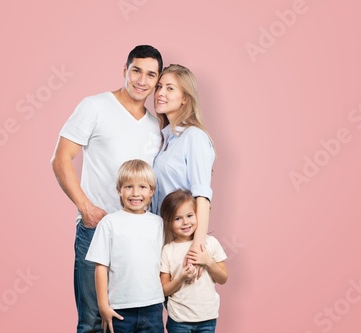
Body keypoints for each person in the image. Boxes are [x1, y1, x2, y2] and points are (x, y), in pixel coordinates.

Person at [50, 45, 163, 332]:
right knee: (92, 322)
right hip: (96, 227)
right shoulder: (95, 106)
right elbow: (61, 159)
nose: (142, 80)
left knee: (131, 321)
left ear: (157, 80)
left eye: (151, 75)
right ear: (125, 70)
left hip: (138, 236)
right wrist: (85, 208)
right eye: (136, 70)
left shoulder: (155, 125)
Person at [86, 159, 164, 333]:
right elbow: (100, 267)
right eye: (129, 187)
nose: (135, 193)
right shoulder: (109, 223)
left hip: (153, 307)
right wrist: (103, 306)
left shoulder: (158, 223)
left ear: (152, 191)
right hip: (119, 310)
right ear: (119, 190)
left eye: (142, 187)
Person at [151, 64, 215, 272]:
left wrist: (197, 248)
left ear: (185, 98)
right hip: (162, 239)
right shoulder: (165, 139)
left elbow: (202, 196)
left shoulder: (194, 137)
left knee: (185, 303)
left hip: (183, 242)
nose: (160, 93)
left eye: (170, 88)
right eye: (159, 87)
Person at [160, 189, 228, 333]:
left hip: (207, 318)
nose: (185, 222)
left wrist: (208, 261)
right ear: (169, 222)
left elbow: (223, 278)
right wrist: (181, 278)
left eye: (190, 215)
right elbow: (164, 290)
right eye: (177, 218)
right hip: (179, 320)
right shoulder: (168, 250)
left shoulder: (210, 243)